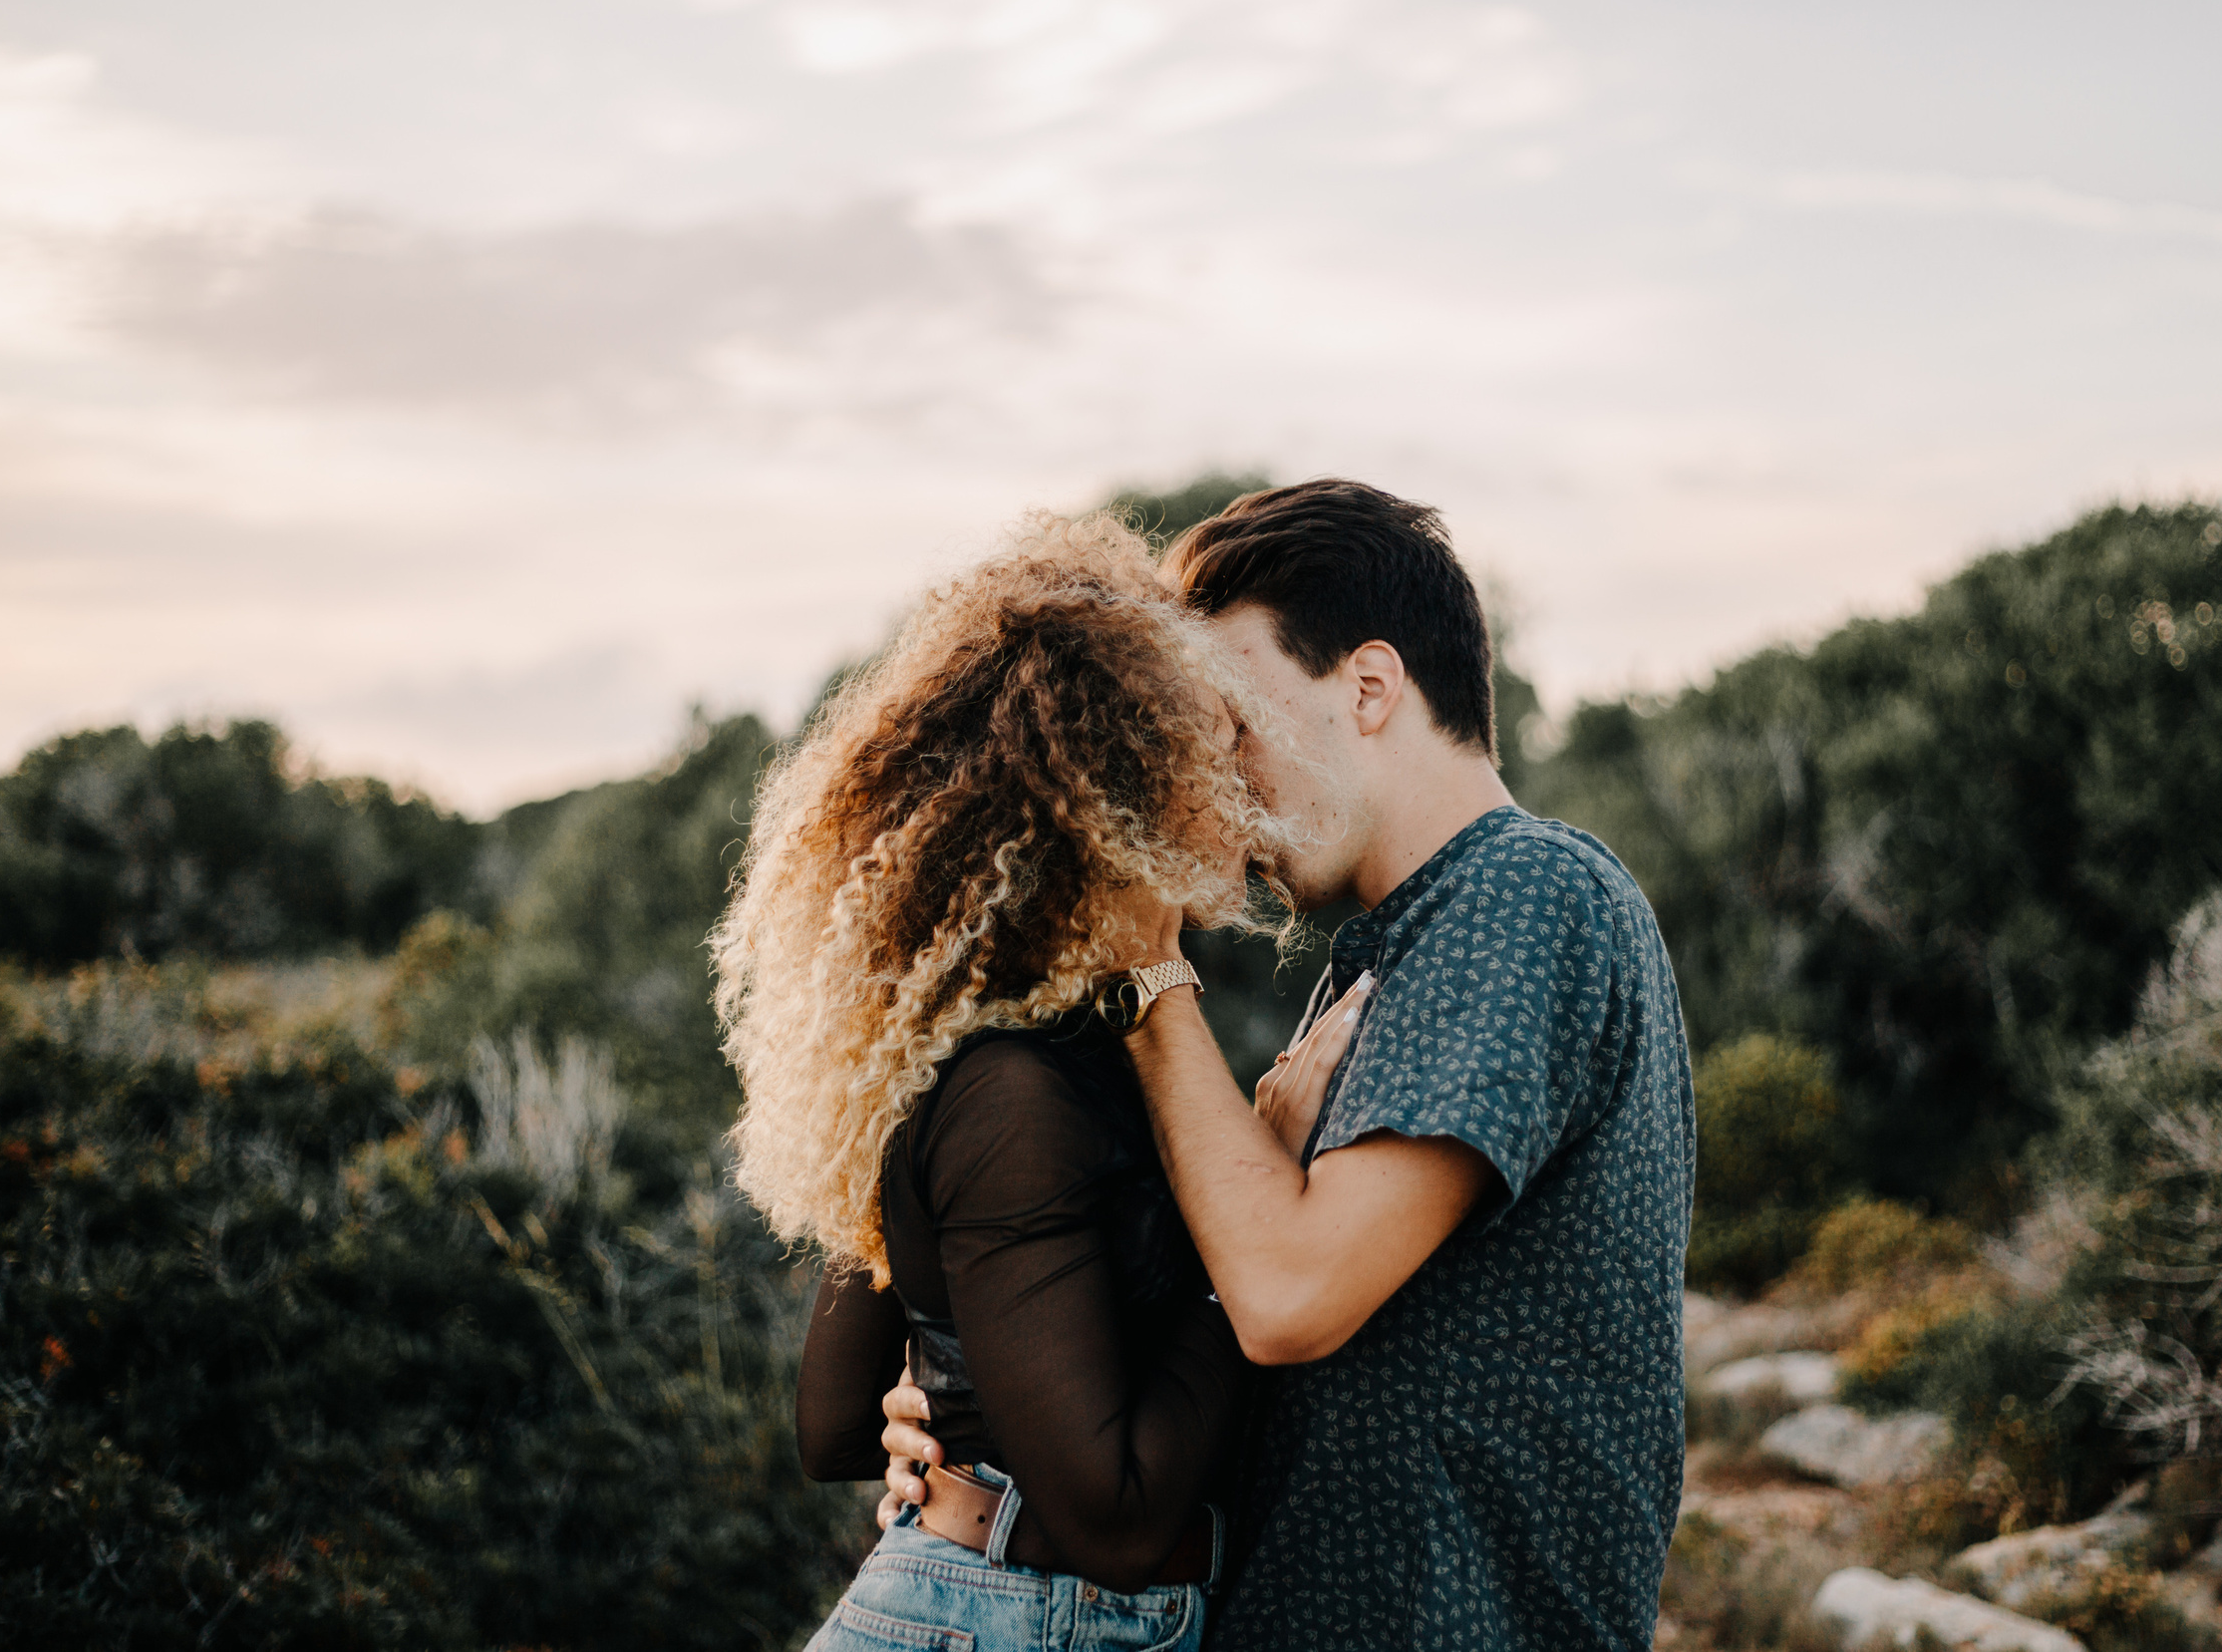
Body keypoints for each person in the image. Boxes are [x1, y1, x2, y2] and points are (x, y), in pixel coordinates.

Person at [879, 480, 1697, 1651]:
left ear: (1367, 686)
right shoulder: (1393, 951)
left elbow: (1288, 1299)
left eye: (1233, 722)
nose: (1212, 776)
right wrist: (978, 1444)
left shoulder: (1523, 893)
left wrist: (1150, 978)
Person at [712, 513, 1320, 1651]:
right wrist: (1254, 1197)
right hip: (1021, 1617)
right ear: (1127, 791)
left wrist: (946, 1412)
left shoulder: (966, 1049)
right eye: (1220, 742)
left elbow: (846, 1421)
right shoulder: (1017, 1093)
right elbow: (1120, 1524)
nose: (1251, 777)